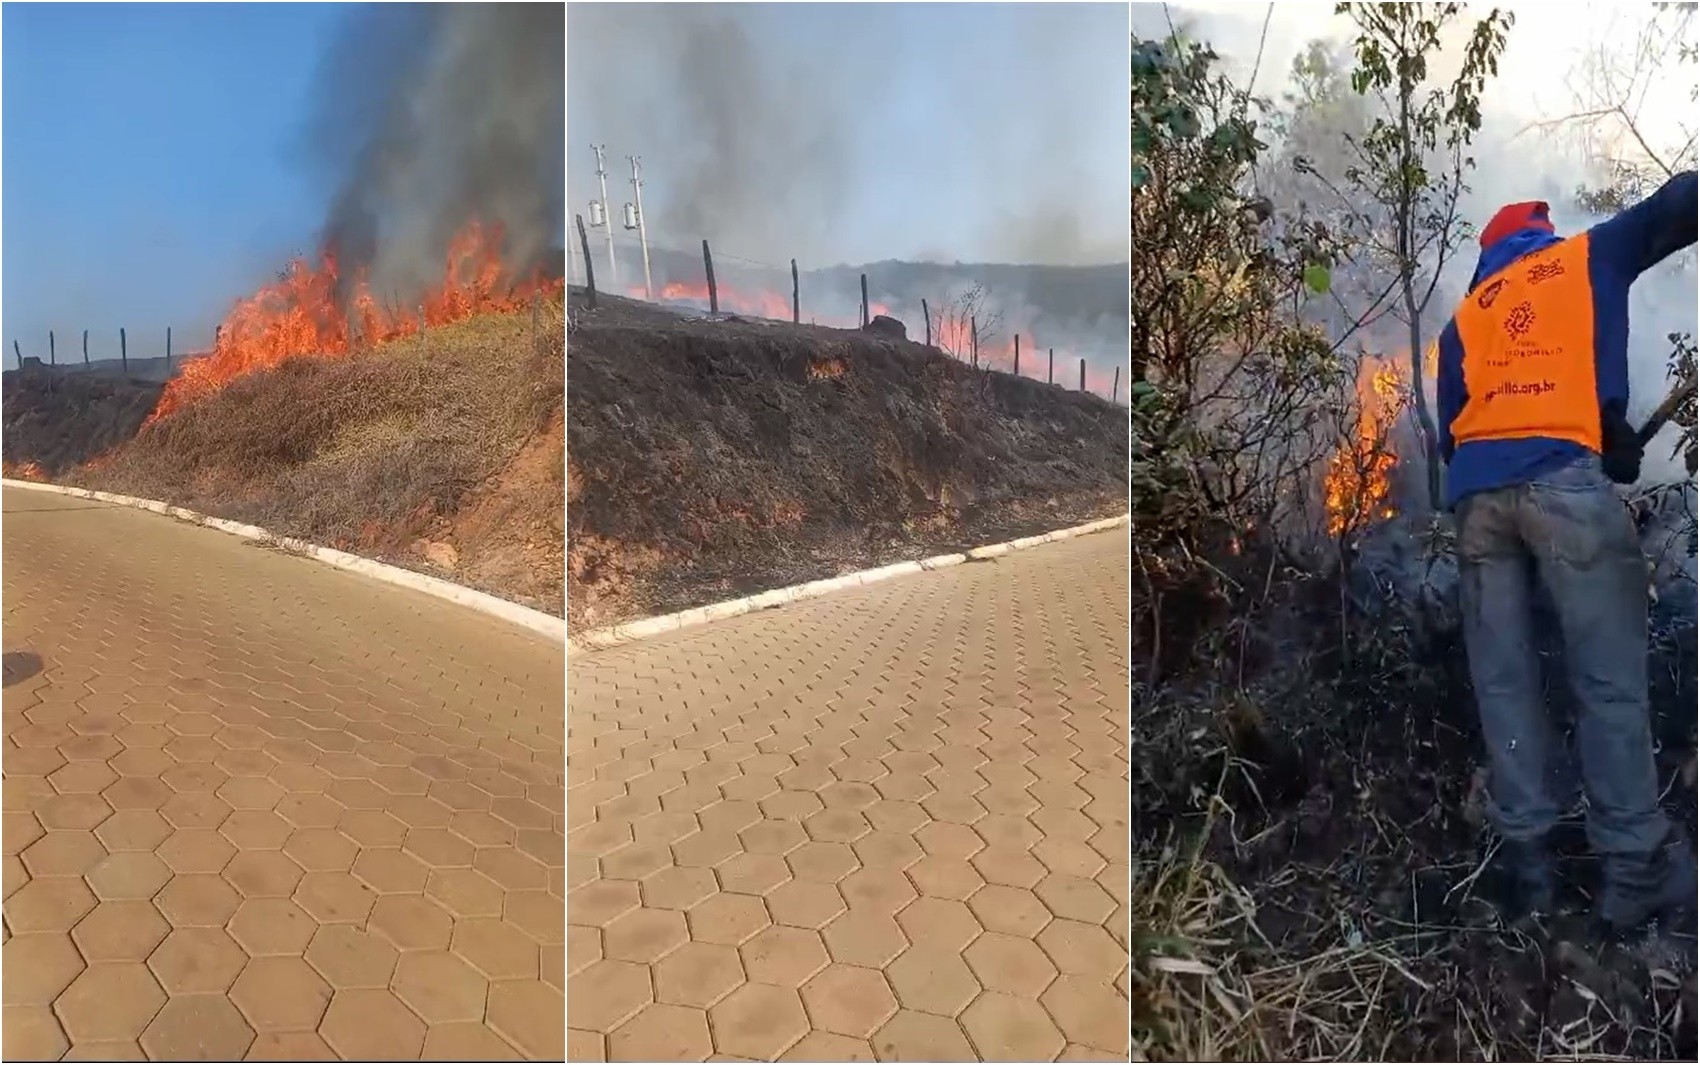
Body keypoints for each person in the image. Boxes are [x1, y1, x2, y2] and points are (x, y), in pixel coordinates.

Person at [1434, 170, 1698, 934]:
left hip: (1480, 505)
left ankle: (1530, 868)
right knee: (1608, 679)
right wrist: (1595, 420)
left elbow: (1455, 426)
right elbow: (1678, 205)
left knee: (1505, 683)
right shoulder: (1586, 255)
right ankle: (1630, 872)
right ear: (1541, 231)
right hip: (1564, 488)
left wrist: (1602, 416)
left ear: (1490, 253)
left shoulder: (1467, 316)